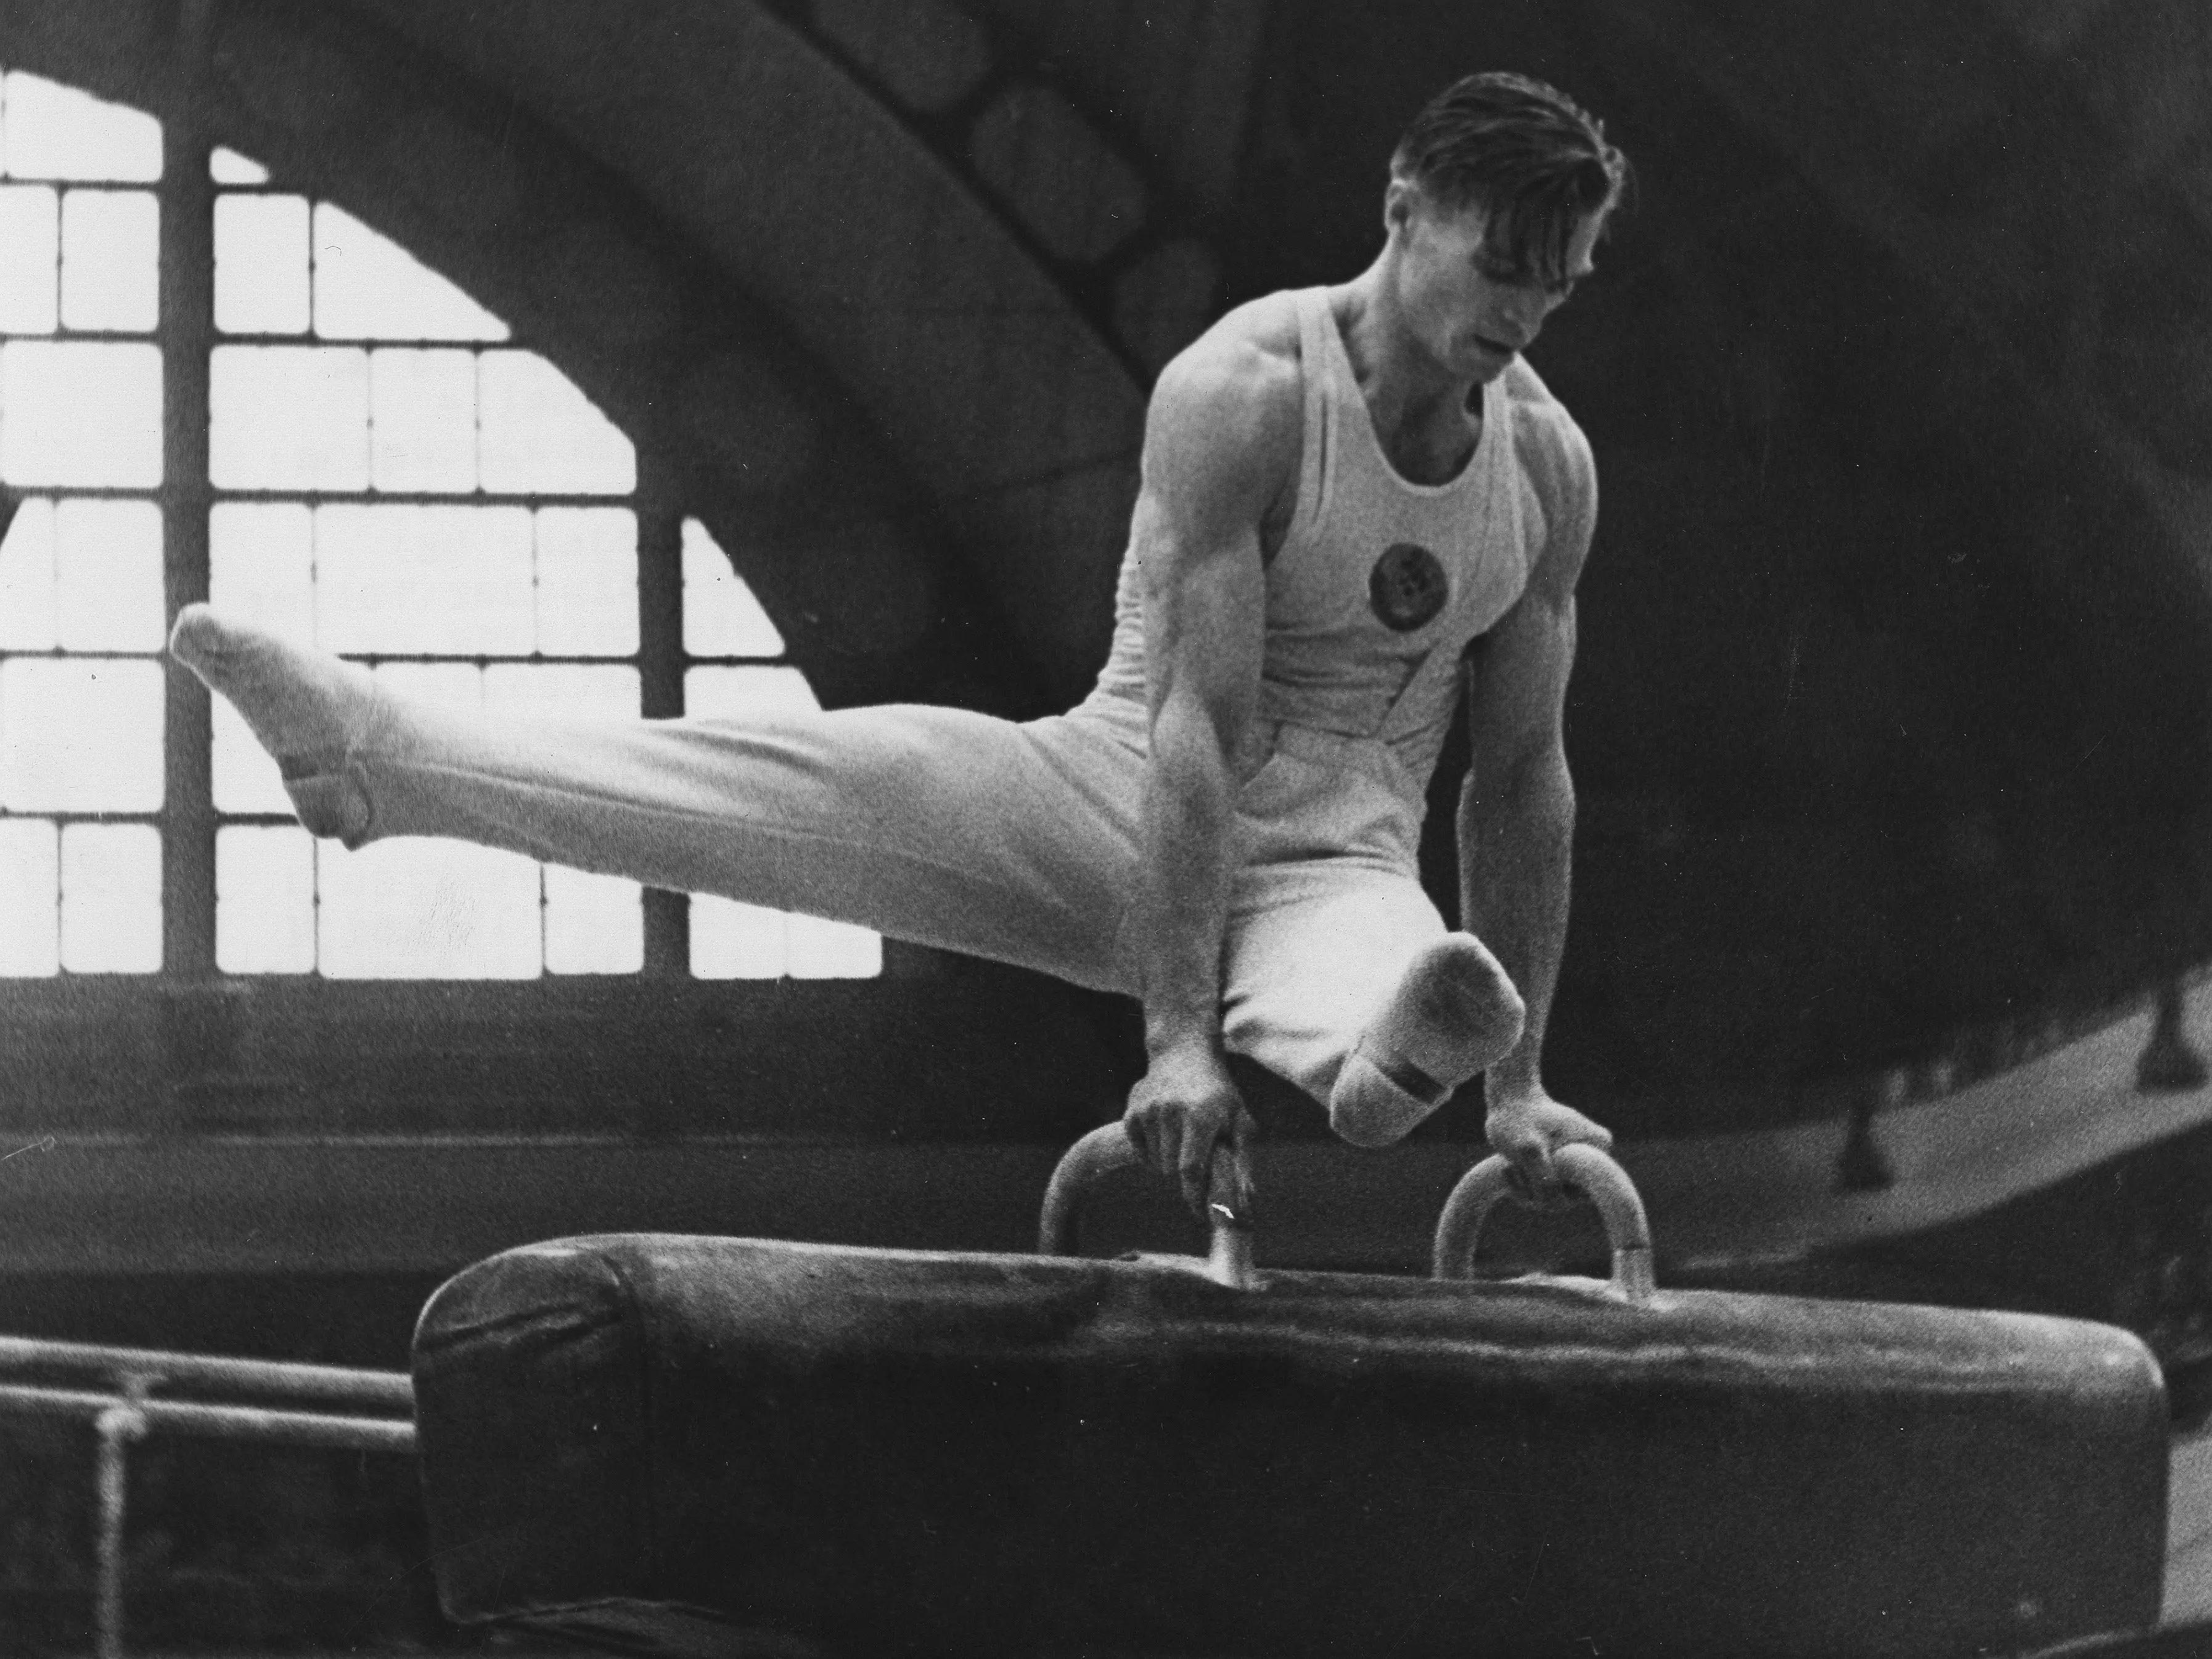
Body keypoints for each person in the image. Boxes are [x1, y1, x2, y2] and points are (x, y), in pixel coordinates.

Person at [170, 70, 1627, 1219]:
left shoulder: (1544, 470)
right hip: (1115, 797)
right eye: (1500, 263)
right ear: (1404, 203)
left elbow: (1521, 780)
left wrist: (1526, 1086)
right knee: (788, 780)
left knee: (1417, 976)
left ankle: (1397, 1057)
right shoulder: (1245, 390)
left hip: (1342, 861)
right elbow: (1196, 726)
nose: (1522, 311)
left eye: (1556, 283)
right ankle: (370, 752)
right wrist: (1176, 1041)